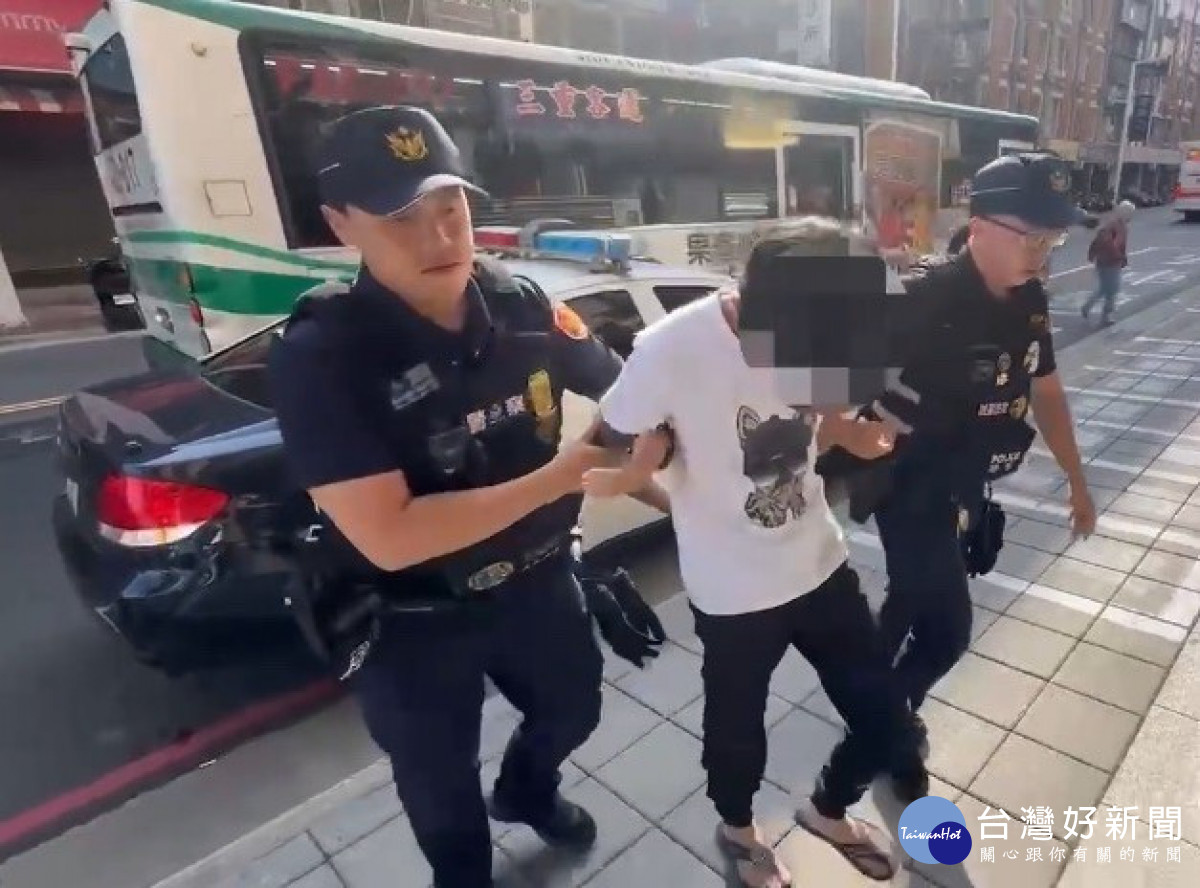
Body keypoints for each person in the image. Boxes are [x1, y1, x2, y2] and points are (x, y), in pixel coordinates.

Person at [266, 105, 670, 888]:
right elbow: (391, 534)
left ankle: (526, 791)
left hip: (538, 583)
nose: (440, 237)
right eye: (401, 218)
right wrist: (564, 475)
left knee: (574, 709)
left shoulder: (523, 306)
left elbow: (631, 394)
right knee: (440, 787)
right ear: (340, 223)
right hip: (413, 619)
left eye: (451, 207)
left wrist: (666, 459)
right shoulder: (322, 356)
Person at [582, 218, 925, 888]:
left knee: (885, 713)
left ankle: (829, 808)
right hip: (732, 591)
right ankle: (739, 831)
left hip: (819, 562)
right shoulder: (670, 350)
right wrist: (648, 484)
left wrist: (849, 435)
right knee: (736, 731)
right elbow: (604, 441)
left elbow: (819, 414)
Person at [865, 153, 1097, 774]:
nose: (1042, 253)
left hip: (965, 482)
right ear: (980, 226)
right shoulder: (920, 295)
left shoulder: (1030, 301)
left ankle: (867, 675)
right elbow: (828, 378)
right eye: (1032, 237)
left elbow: (1046, 390)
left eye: (1053, 238)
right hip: (906, 486)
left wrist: (1077, 481)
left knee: (910, 595)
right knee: (948, 633)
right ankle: (885, 724)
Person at [1082, 199, 1135, 326]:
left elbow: (1121, 245)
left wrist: (1123, 257)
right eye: (1130, 213)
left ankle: (1088, 307)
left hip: (1111, 261)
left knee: (1105, 288)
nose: (1131, 216)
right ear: (1124, 213)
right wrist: (1119, 256)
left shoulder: (1121, 226)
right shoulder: (1113, 225)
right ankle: (1105, 315)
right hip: (1107, 261)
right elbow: (1107, 243)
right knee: (1112, 289)